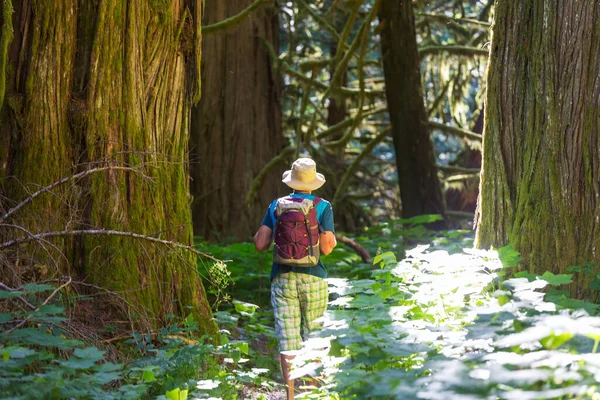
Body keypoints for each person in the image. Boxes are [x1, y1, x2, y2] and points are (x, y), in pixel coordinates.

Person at [253, 157, 336, 400]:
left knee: (288, 341)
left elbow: (260, 244)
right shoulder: (323, 206)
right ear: (313, 181)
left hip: (282, 279)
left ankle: (290, 396)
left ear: (292, 179)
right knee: (314, 336)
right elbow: (328, 248)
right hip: (314, 279)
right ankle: (311, 393)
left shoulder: (277, 205)